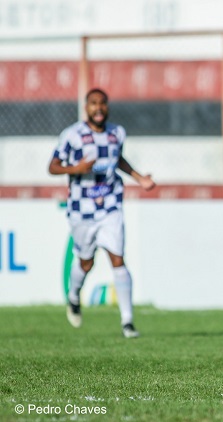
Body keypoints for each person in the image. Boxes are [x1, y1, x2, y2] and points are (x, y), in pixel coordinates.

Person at [48, 88, 156, 339]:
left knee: (117, 258)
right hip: (82, 209)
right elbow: (52, 166)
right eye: (93, 103)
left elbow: (118, 159)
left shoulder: (117, 133)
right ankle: (74, 296)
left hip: (110, 205)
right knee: (86, 262)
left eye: (102, 103)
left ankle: (128, 322)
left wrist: (139, 178)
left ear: (107, 106)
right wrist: (77, 168)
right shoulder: (72, 135)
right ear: (86, 107)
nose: (98, 108)